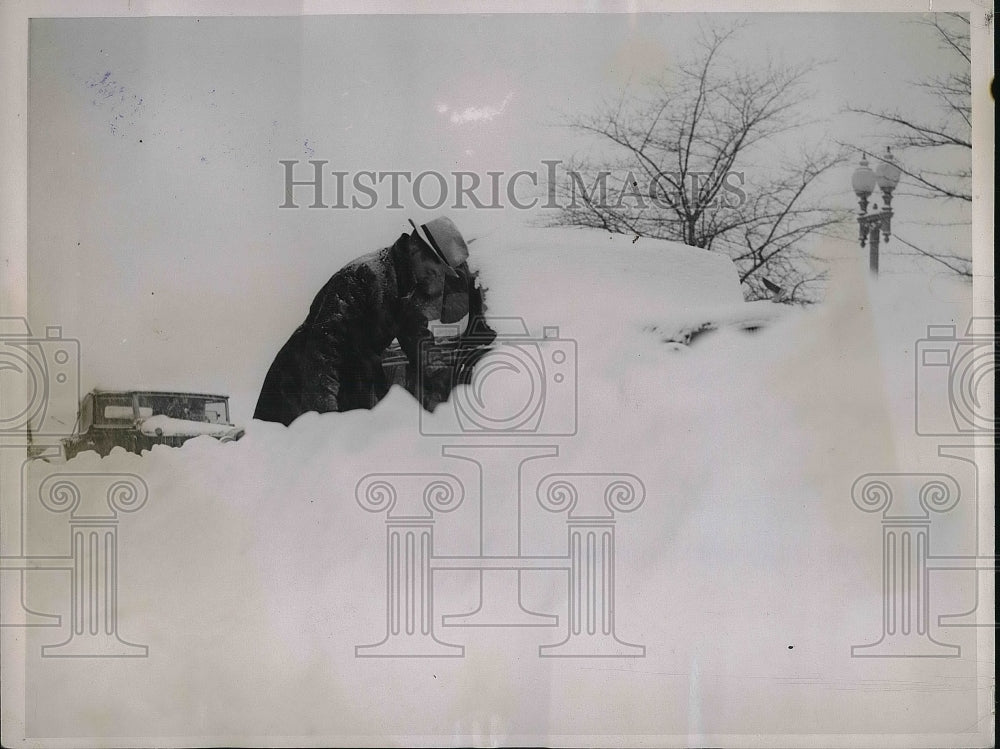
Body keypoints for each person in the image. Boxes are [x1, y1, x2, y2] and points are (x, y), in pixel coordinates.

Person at [253, 217, 482, 425]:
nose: (435, 278)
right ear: (415, 250)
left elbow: (416, 336)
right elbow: (323, 350)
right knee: (301, 460)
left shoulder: (405, 288)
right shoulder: (363, 276)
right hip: (301, 386)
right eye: (434, 271)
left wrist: (445, 377)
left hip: (349, 381)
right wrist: (325, 419)